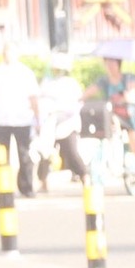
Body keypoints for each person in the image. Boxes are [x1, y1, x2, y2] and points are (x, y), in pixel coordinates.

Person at [0, 43, 40, 198]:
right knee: (1, 156)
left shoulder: (26, 73)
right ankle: (4, 188)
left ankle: (26, 187)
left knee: (24, 154)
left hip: (23, 119)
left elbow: (33, 98)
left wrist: (38, 119)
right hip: (1, 119)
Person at [94, 59, 135, 193]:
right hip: (113, 118)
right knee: (104, 141)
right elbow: (91, 91)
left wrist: (123, 98)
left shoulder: (128, 78)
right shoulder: (104, 81)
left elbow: (132, 96)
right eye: (107, 64)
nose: (109, 67)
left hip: (130, 119)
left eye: (112, 64)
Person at [38, 56, 88, 187]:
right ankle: (43, 181)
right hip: (50, 123)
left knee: (71, 152)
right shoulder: (47, 83)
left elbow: (77, 103)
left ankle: (84, 175)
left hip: (67, 124)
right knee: (45, 152)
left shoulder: (71, 84)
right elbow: (42, 101)